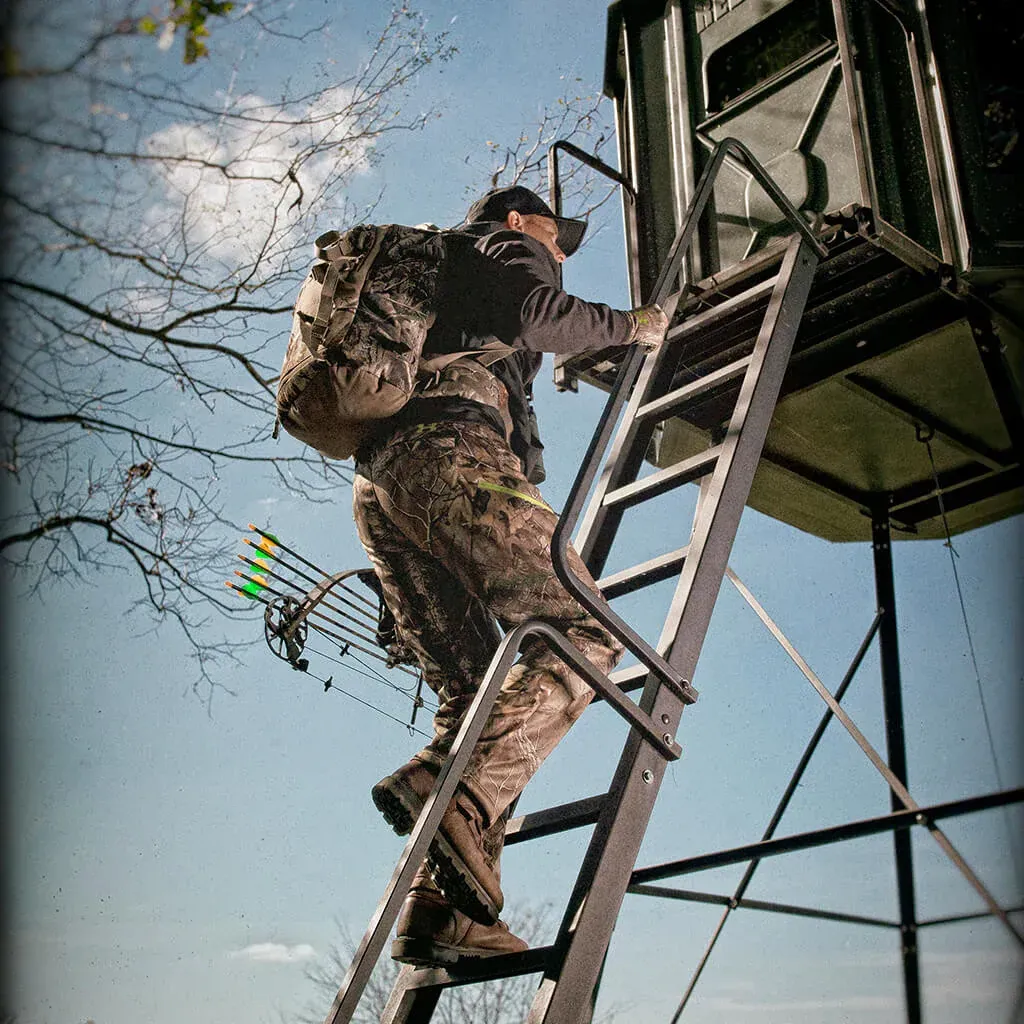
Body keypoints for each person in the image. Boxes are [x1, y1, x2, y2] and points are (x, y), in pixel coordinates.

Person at [351, 185, 668, 966]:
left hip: (383, 483)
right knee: (586, 632)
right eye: (558, 237)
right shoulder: (503, 247)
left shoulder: (434, 276)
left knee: (472, 697)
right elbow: (534, 311)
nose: (559, 254)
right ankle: (456, 796)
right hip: (456, 461)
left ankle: (442, 910)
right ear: (522, 220)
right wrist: (635, 326)